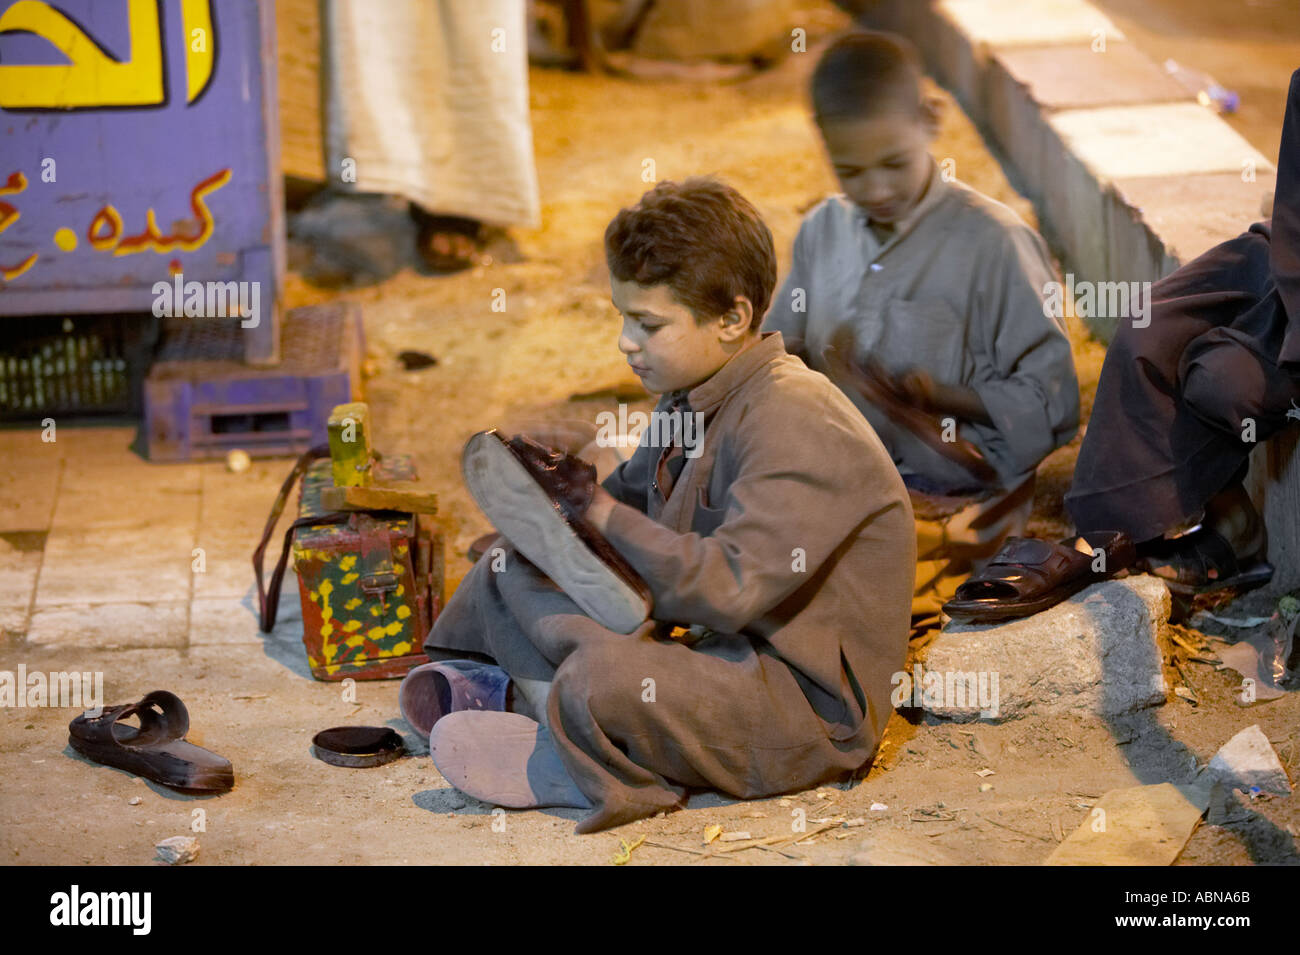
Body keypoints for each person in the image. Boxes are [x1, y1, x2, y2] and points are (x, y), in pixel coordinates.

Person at [400, 177, 915, 833]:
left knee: (603, 679)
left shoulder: (796, 417)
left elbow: (728, 590)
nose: (624, 340)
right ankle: (539, 703)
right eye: (622, 315)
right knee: (512, 564)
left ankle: (573, 742)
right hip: (703, 651)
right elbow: (629, 496)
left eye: (647, 323)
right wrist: (564, 505)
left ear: (732, 317)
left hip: (792, 705)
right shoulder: (691, 393)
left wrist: (596, 511)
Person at [946, 68, 1300, 621]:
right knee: (1151, 328)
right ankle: (1107, 533)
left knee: (1223, 380)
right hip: (1288, 253)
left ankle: (1231, 533)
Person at [762, 30, 1080, 630]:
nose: (875, 190)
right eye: (851, 170)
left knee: (820, 602)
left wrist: (939, 397)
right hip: (845, 483)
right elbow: (778, 354)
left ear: (929, 119)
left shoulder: (994, 242)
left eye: (893, 164)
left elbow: (1054, 405)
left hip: (958, 502)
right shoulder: (823, 231)